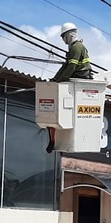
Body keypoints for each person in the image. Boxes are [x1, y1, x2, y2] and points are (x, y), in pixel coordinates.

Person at [46, 22, 94, 152]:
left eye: (64, 36)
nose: (63, 39)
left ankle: (55, 139)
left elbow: (71, 67)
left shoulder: (77, 47)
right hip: (75, 77)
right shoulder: (73, 48)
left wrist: (59, 80)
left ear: (69, 35)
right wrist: (55, 79)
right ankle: (53, 139)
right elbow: (65, 66)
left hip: (80, 77)